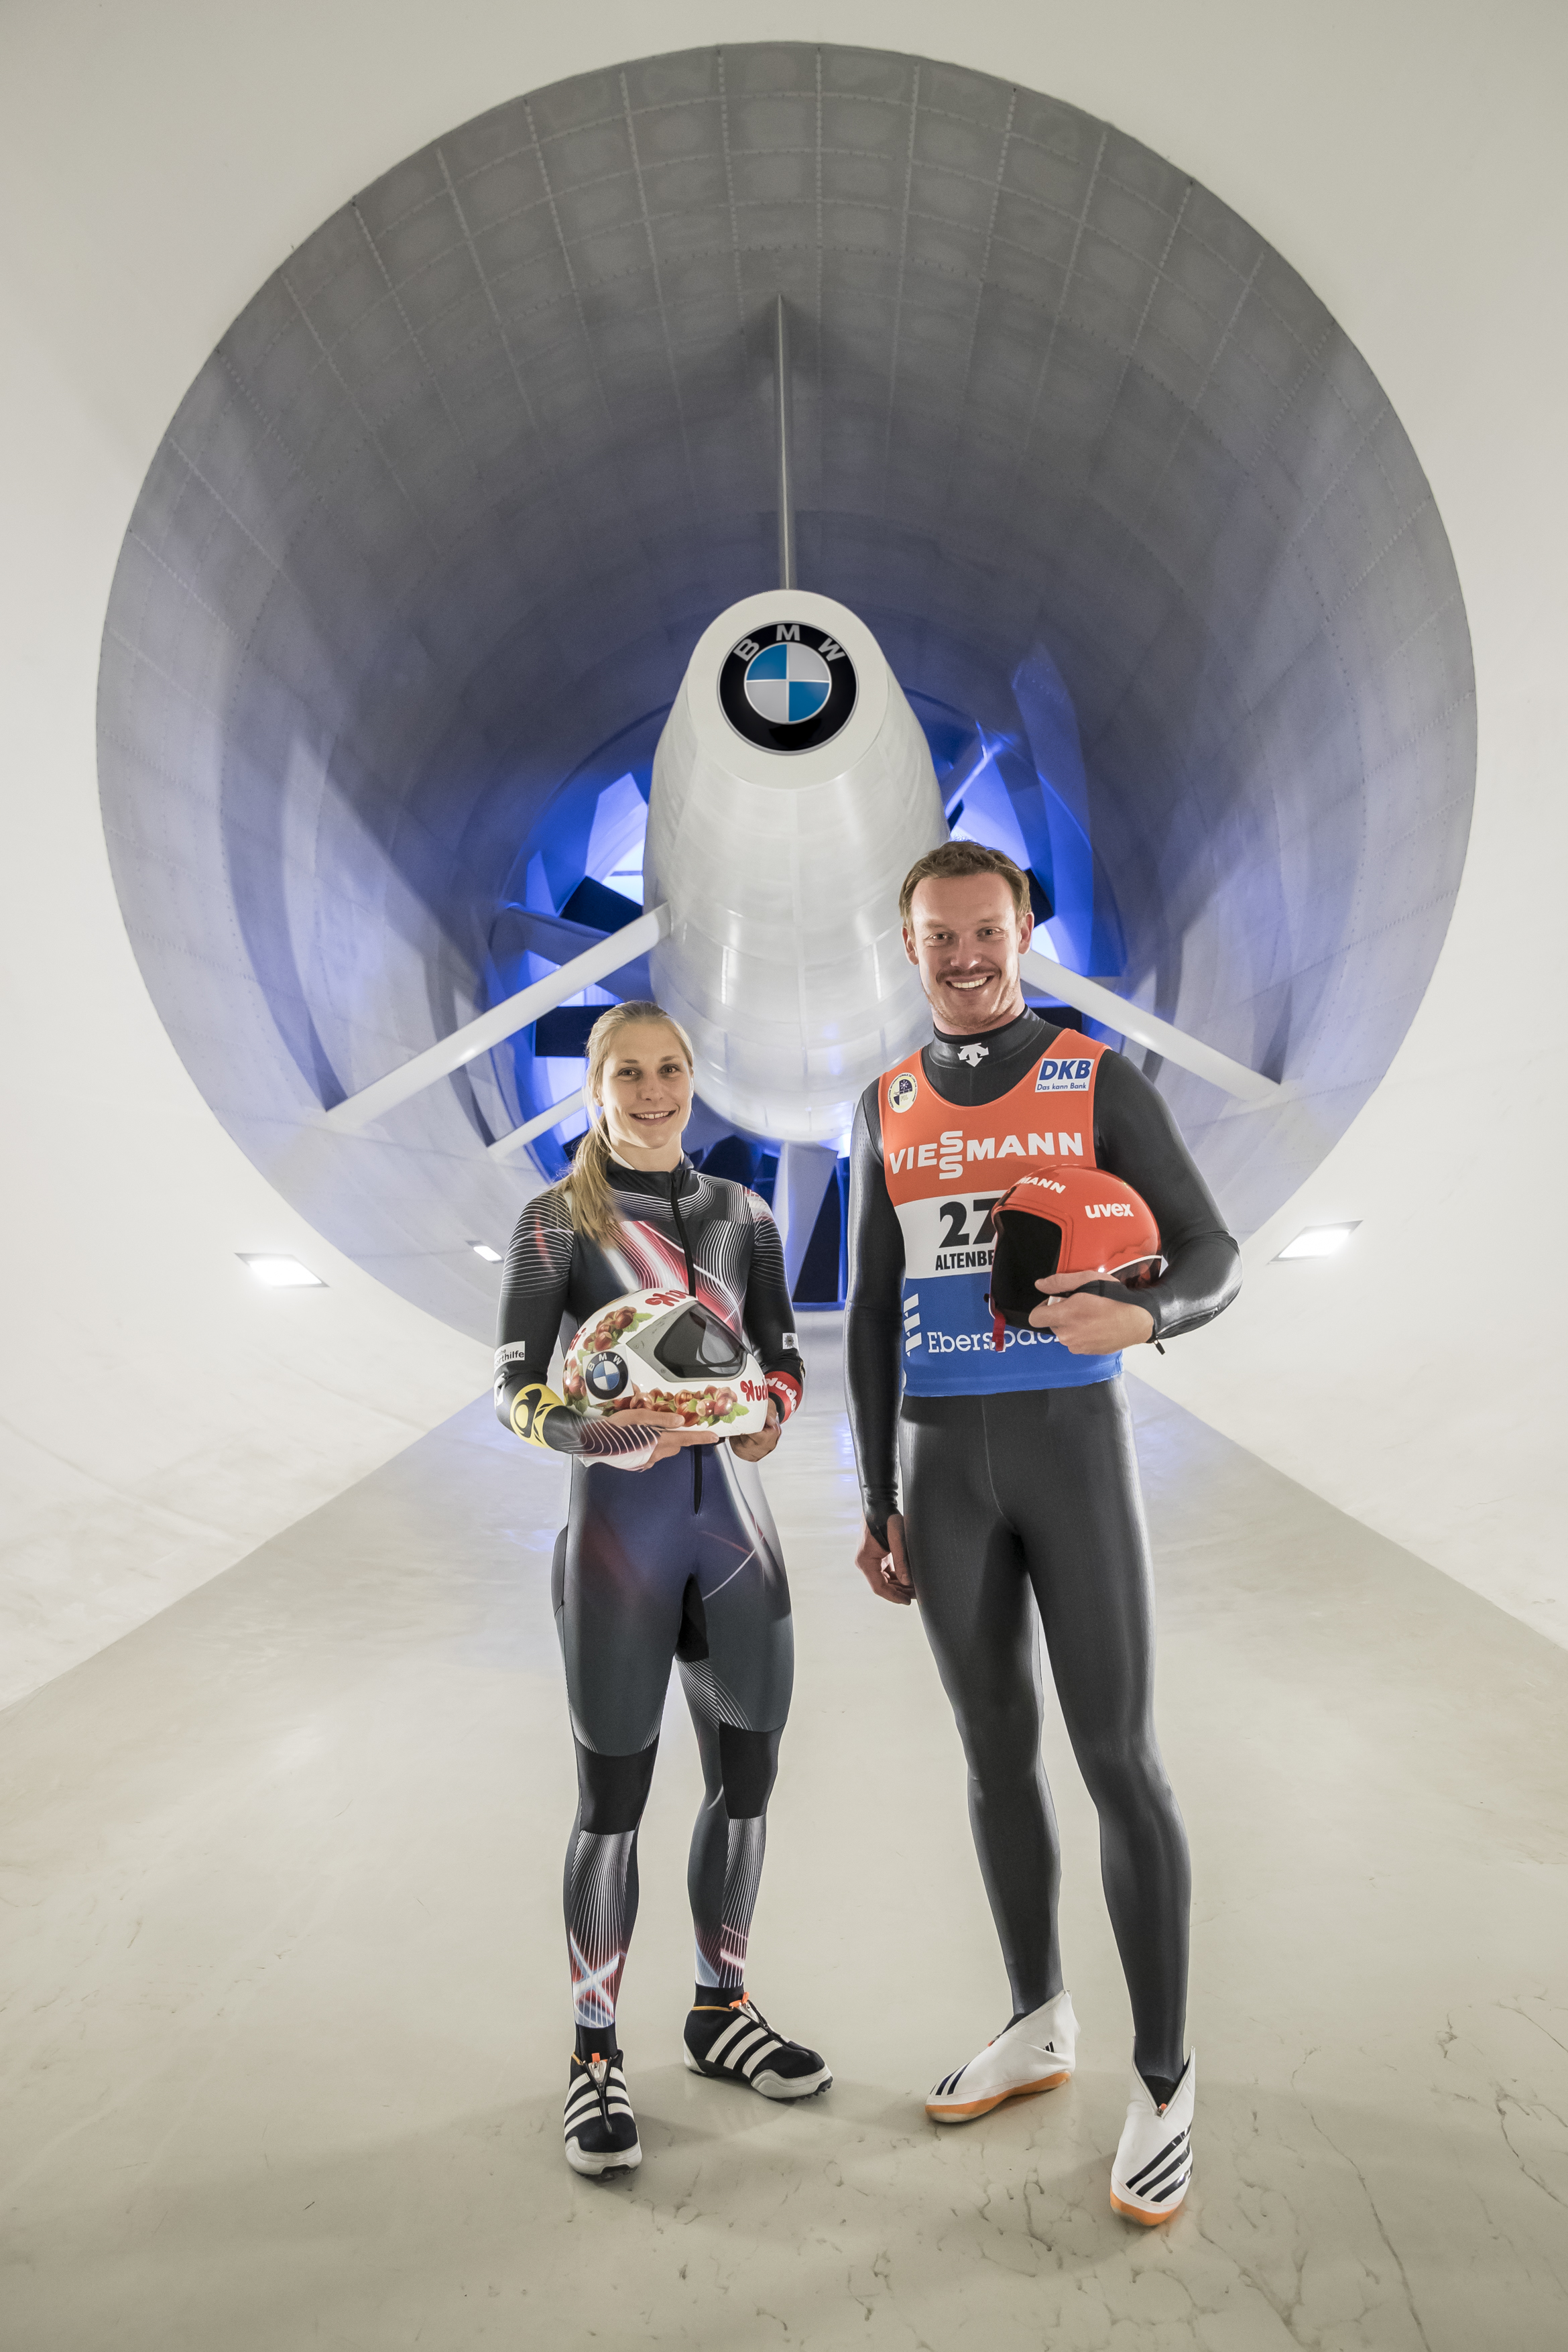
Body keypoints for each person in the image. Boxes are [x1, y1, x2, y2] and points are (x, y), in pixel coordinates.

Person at [844, 842, 1241, 2223]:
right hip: (942, 1464)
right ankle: (1038, 2020)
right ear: (909, 945)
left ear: (1022, 932)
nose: (965, 957)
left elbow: (1213, 1254)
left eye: (987, 931)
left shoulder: (1090, 1077)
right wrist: (876, 1495)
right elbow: (872, 1310)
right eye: (939, 936)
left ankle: (1166, 2078)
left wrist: (1147, 1314)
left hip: (1070, 1445)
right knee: (994, 1754)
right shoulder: (885, 1103)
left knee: (1118, 1757)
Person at [494, 1001, 831, 2178]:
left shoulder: (745, 1215)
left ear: (695, 1078)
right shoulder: (556, 1221)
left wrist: (769, 1414)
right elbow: (513, 1387)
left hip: (735, 1535)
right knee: (613, 1804)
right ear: (595, 1090)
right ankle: (594, 2055)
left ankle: (718, 2011)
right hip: (619, 1544)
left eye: (670, 1069)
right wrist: (591, 1436)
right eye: (628, 1073)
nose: (652, 1092)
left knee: (747, 1786)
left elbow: (783, 1356)